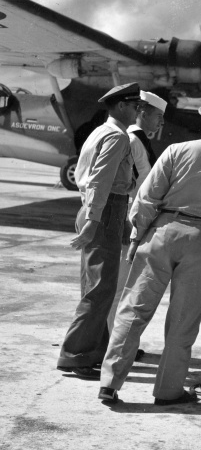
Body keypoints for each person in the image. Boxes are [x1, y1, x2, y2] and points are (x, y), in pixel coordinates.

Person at [97, 101, 201, 405]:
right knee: (184, 320)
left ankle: (109, 383)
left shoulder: (176, 151)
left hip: (161, 231)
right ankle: (168, 390)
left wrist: (136, 236)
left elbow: (147, 197)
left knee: (134, 309)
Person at [56, 83, 142, 380]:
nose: (138, 111)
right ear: (121, 106)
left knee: (97, 287)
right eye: (135, 106)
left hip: (104, 210)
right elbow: (100, 180)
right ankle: (75, 355)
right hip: (104, 211)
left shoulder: (101, 132)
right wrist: (94, 220)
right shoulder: (117, 136)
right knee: (100, 289)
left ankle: (91, 352)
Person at [106, 91, 167, 337]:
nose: (162, 122)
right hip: (127, 220)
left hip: (135, 220)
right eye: (159, 116)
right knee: (120, 287)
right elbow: (126, 185)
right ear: (142, 112)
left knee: (126, 287)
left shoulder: (140, 140)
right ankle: (112, 341)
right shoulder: (132, 140)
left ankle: (116, 340)